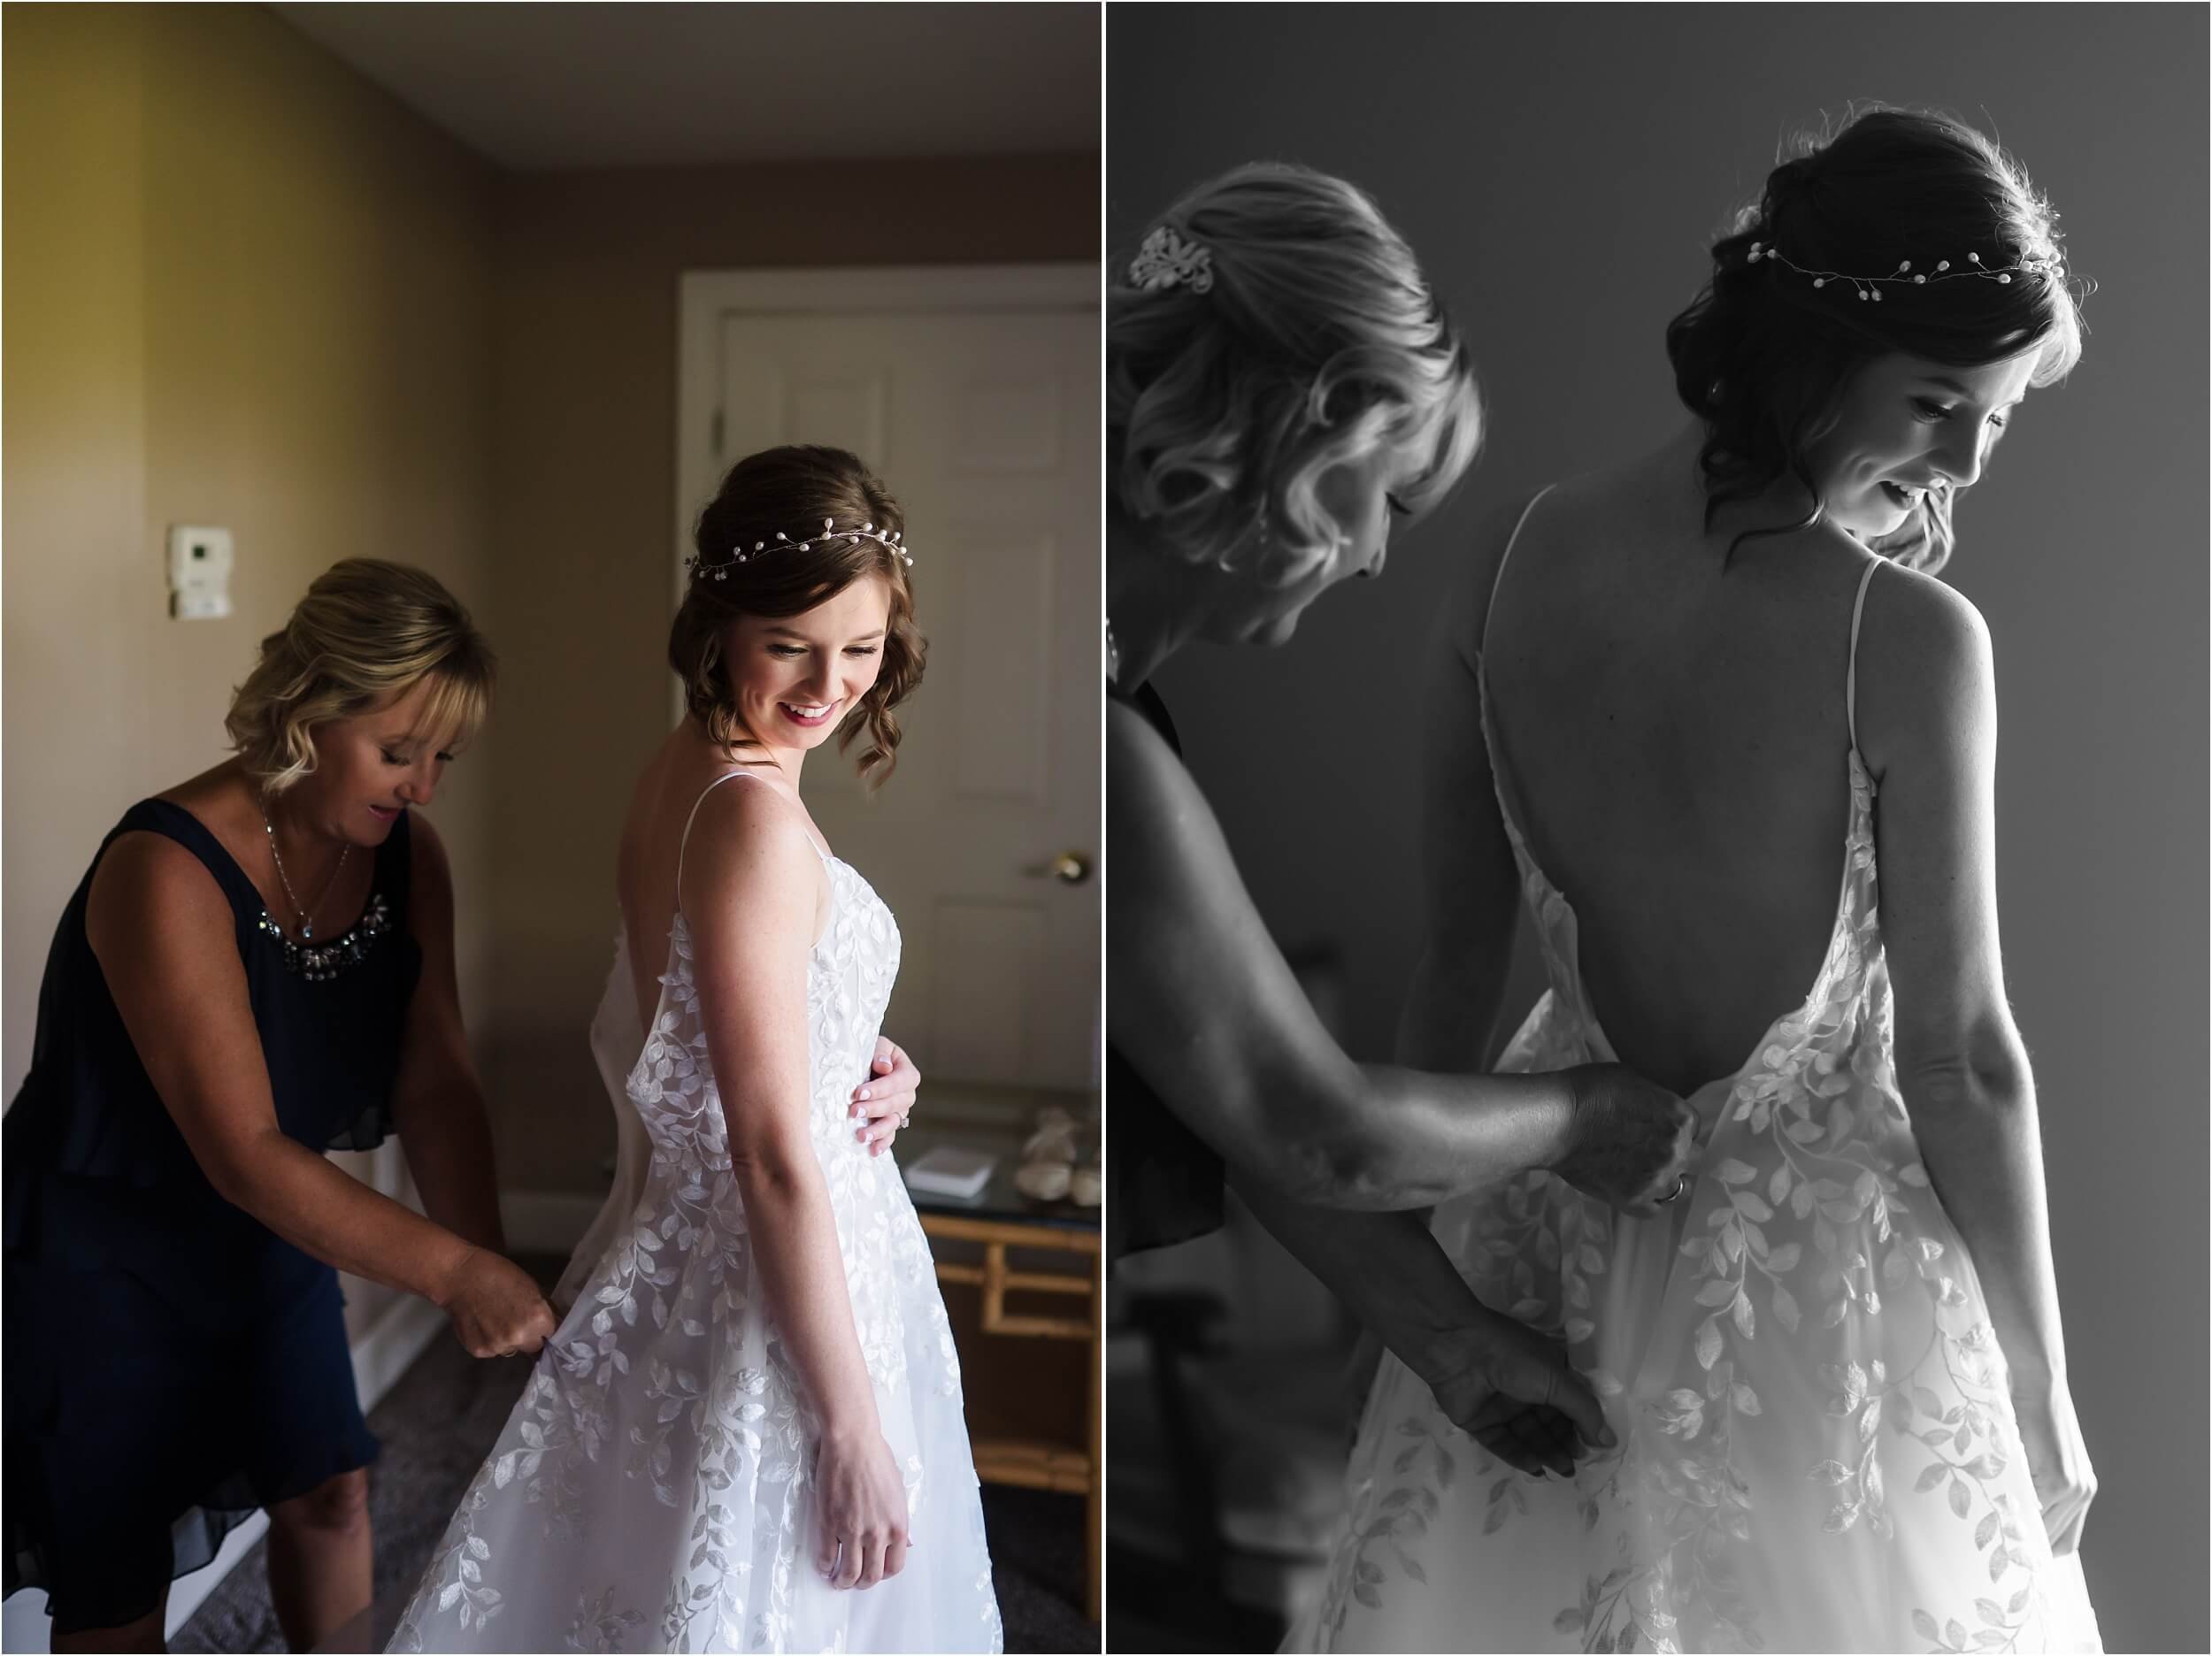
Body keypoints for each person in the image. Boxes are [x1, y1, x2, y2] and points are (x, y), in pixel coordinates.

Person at [1290, 109, 2102, 1652]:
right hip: (1822, 1288)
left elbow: (1453, 969)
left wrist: (1400, 1299)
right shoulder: (1913, 641)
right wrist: (2036, 1383)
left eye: (1998, 416)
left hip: (1545, 1236)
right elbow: (1959, 1053)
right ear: (1812, 349)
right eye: (1941, 403)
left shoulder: (1511, 558)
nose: (1971, 459)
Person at [1107, 161, 1699, 1479]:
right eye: (1392, 502)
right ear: (1307, 431)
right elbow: (1318, 1126)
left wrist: (1450, 1337)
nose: (1379, 558)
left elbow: (1220, 1098)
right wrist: (1580, 1112)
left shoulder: (1115, 707)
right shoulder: (1103, 748)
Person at [388, 446, 1002, 1653]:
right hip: (774, 1286)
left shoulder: (686, 770)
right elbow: (770, 1153)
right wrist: (849, 1428)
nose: (832, 685)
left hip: (721, 1258)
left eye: (864, 649)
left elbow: (705, 1012)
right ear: (720, 626)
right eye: (793, 644)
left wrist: (857, 1049)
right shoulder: (752, 820)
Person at [2, 560, 553, 1653]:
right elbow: (245, 1149)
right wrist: (449, 1273)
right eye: (399, 752)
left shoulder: (407, 857)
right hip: (103, 1253)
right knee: (120, 1580)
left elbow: (434, 1076)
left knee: (332, 1489)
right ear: (310, 709)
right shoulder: (165, 864)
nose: (423, 786)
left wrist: (484, 1259)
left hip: (268, 1229)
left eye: (444, 758)